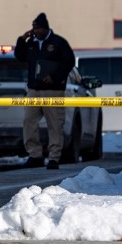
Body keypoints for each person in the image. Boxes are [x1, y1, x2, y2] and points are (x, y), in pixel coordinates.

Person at [14, 12, 75, 170]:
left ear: (46, 28)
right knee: (29, 121)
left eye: (39, 29)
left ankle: (54, 157)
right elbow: (20, 56)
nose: (36, 31)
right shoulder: (32, 43)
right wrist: (22, 39)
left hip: (52, 90)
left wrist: (54, 77)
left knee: (54, 124)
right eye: (34, 29)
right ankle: (35, 155)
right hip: (34, 89)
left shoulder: (58, 42)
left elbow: (69, 62)